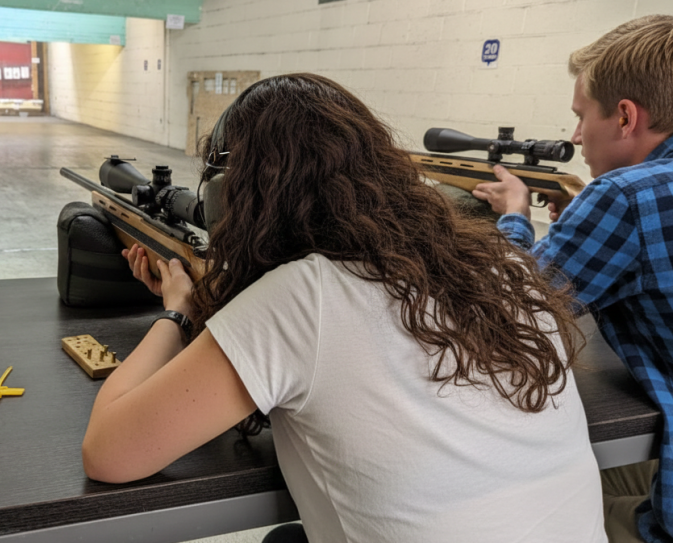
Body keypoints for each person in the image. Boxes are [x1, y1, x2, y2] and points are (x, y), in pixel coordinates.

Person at [82, 73, 607, 542]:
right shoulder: (506, 266)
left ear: (236, 198)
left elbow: (109, 452)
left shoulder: (302, 298)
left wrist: (177, 312)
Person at [472, 15, 673, 543]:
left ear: (626, 117)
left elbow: (508, 311)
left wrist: (514, 215)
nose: (576, 136)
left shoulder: (624, 196)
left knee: (537, 500)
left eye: (583, 117)